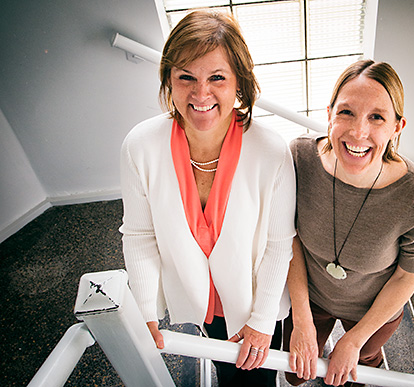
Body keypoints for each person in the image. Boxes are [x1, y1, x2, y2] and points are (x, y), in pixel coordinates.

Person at [119, 10, 296, 387]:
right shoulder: (140, 146)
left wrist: (262, 322)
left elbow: (279, 247)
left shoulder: (271, 150)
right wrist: (145, 311)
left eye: (217, 77)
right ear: (170, 79)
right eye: (186, 77)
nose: (201, 94)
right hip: (205, 308)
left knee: (259, 383)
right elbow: (139, 235)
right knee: (226, 375)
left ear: (239, 84)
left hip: (256, 303)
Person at [284, 60, 414, 387]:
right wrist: (301, 321)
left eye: (377, 117)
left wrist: (354, 341)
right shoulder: (299, 159)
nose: (358, 132)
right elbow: (291, 238)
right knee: (296, 372)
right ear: (329, 113)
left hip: (372, 309)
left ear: (397, 127)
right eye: (346, 112)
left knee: (362, 367)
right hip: (309, 298)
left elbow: (406, 277)